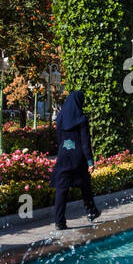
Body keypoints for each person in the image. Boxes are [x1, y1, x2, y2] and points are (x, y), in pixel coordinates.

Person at [52, 89, 101, 230]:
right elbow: (85, 143)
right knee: (85, 184)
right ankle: (91, 211)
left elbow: (60, 139)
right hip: (78, 158)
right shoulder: (81, 119)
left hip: (63, 156)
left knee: (62, 189)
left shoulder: (60, 119)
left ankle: (59, 221)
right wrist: (90, 162)